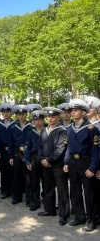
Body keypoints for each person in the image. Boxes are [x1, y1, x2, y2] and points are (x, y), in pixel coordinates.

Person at [63, 99, 99, 232]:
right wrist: (66, 162)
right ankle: (79, 216)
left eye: (75, 110)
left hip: (86, 162)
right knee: (75, 190)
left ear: (83, 113)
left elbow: (95, 151)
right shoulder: (69, 129)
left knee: (89, 192)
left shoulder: (92, 129)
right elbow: (68, 148)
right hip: (73, 162)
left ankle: (91, 219)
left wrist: (93, 167)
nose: (72, 112)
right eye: (71, 110)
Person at [37, 108, 70, 226]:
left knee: (62, 190)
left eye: (53, 116)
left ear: (58, 117)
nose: (50, 118)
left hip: (57, 165)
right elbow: (39, 146)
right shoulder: (44, 130)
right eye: (49, 116)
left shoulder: (62, 130)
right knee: (47, 188)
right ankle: (49, 209)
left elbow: (60, 148)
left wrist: (49, 160)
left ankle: (64, 214)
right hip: (45, 165)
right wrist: (42, 159)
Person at [8, 105, 32, 206]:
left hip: (28, 154)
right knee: (16, 177)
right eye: (19, 115)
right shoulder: (13, 127)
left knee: (28, 178)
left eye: (23, 114)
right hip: (17, 154)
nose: (21, 116)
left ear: (26, 115)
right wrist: (10, 156)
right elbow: (10, 143)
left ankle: (29, 199)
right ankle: (16, 197)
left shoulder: (31, 126)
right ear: (16, 116)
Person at [24, 110, 45, 212]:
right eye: (35, 120)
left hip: (45, 159)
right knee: (34, 182)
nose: (37, 122)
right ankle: (35, 202)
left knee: (46, 182)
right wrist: (27, 161)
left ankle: (47, 200)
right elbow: (27, 147)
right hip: (34, 158)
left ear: (43, 120)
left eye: (39, 120)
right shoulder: (30, 133)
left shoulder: (47, 131)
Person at [0, 103, 15, 200]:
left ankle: (13, 190)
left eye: (7, 112)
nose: (6, 114)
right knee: (3, 171)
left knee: (12, 171)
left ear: (11, 113)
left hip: (12, 151)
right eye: (4, 112)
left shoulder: (15, 124)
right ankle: (4, 190)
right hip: (2, 151)